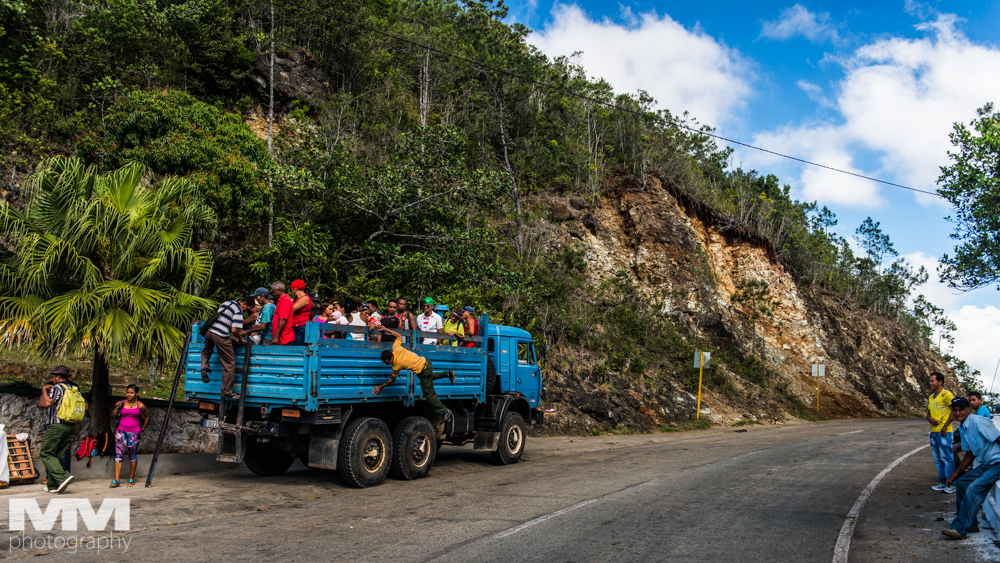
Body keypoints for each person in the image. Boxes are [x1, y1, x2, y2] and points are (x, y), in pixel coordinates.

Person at [373, 327, 456, 431]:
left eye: (386, 362)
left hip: (423, 370)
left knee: (429, 394)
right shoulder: (395, 348)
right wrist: (386, 328)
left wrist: (380, 387)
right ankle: (448, 374)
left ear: (390, 358)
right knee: (428, 378)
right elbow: (398, 336)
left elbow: (391, 380)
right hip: (426, 363)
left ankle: (445, 412)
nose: (386, 364)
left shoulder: (396, 366)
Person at [942, 397, 1000, 540]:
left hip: (997, 464)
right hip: (986, 465)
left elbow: (999, 439)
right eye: (954, 410)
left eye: (961, 409)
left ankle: (960, 528)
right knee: (962, 483)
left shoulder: (979, 422)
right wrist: (956, 473)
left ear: (969, 409)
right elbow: (970, 454)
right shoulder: (963, 427)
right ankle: (971, 524)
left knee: (974, 488)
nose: (958, 413)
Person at [37, 366, 83, 493]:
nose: (52, 379)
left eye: (53, 377)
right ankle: (53, 485)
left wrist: (44, 390)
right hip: (70, 426)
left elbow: (47, 404)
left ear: (58, 377)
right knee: (57, 455)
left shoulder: (57, 388)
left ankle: (63, 477)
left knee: (46, 453)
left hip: (56, 425)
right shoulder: (74, 389)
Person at [201, 295, 253, 399]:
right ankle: (227, 391)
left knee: (207, 350)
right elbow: (234, 330)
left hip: (209, 332)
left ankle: (204, 366)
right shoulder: (238, 311)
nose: (246, 311)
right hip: (221, 336)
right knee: (229, 364)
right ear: (244, 304)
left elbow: (222, 320)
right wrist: (240, 339)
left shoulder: (227, 303)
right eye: (247, 308)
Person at [110, 385, 149, 488]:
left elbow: (147, 416)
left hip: (134, 432)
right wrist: (117, 407)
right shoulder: (122, 403)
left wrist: (143, 427)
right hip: (121, 431)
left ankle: (131, 478)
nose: (129, 394)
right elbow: (114, 415)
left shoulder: (140, 405)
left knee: (132, 454)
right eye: (127, 392)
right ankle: (117, 479)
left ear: (136, 394)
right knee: (118, 454)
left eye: (131, 393)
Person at [927, 371, 956, 493]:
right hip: (933, 432)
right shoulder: (931, 397)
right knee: (938, 459)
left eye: (933, 381)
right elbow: (928, 413)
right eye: (930, 381)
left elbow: (955, 411)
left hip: (944, 433)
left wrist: (945, 426)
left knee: (947, 458)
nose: (930, 383)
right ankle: (943, 482)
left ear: (940, 382)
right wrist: (929, 419)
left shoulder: (947, 395)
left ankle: (951, 484)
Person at [270, 281, 296, 346]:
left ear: (280, 290)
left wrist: (276, 337)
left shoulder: (285, 301)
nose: (273, 294)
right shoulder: (281, 301)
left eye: (274, 292)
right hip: (282, 339)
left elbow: (283, 319)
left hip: (285, 339)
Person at [290, 280, 313, 345]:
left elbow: (292, 309)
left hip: (301, 327)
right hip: (296, 327)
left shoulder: (305, 298)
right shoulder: (297, 299)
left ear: (294, 289)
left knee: (300, 349)